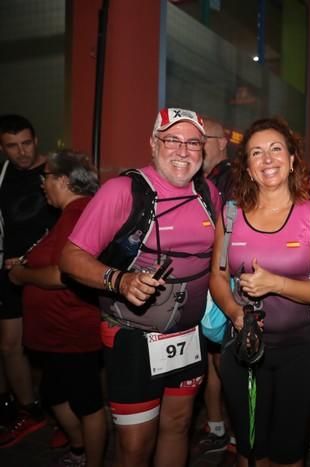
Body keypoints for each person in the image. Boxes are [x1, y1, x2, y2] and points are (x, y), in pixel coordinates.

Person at [60, 107, 222, 467]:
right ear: (153, 144)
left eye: (193, 143)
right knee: (135, 444)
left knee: (178, 426)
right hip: (132, 336)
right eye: (172, 140)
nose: (183, 151)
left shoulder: (209, 193)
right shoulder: (122, 191)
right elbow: (70, 258)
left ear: (203, 150)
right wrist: (120, 280)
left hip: (189, 335)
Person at [211, 117, 310, 466]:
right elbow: (218, 277)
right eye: (256, 153)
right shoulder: (231, 215)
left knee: (290, 453)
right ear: (247, 168)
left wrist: (276, 284)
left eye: (276, 149)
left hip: (302, 351)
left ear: (292, 159)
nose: (267, 159)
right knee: (252, 452)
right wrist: (235, 314)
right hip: (244, 350)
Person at [8, 150, 105, 467]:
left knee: (87, 403)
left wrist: (22, 275)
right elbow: (52, 259)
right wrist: (25, 261)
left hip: (72, 330)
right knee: (52, 393)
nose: (41, 184)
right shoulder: (71, 213)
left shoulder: (77, 213)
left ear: (63, 180)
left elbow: (63, 274)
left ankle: (91, 460)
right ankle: (78, 448)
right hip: (60, 332)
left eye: (45, 177)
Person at [0, 114, 58, 447]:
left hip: (45, 273)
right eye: (12, 146)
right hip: (9, 272)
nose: (21, 152)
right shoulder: (5, 175)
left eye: (26, 143)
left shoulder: (54, 171)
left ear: (36, 140)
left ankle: (64, 414)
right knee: (9, 345)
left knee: (50, 348)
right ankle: (30, 411)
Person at [191, 116, 236, 458]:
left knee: (226, 358)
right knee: (212, 355)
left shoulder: (232, 177)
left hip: (226, 280)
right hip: (205, 281)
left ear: (222, 143)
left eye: (206, 138)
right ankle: (219, 426)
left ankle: (237, 434)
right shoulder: (199, 178)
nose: (199, 143)